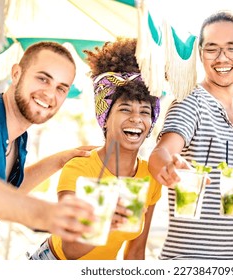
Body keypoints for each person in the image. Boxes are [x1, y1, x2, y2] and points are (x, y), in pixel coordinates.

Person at [0, 41, 96, 260]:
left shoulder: (19, 137)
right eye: (43, 79)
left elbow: (4, 190)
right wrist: (48, 215)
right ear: (16, 73)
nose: (50, 94)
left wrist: (61, 160)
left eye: (61, 88)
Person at [28, 37, 162, 260]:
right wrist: (105, 220)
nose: (137, 119)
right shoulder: (81, 167)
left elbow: (136, 252)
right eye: (126, 109)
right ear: (106, 118)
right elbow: (71, 250)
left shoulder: (150, 175)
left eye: (145, 112)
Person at [148, 11, 233, 259]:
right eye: (212, 49)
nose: (222, 58)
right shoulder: (189, 102)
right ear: (200, 54)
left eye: (232, 48)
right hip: (189, 261)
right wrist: (168, 165)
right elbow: (162, 151)